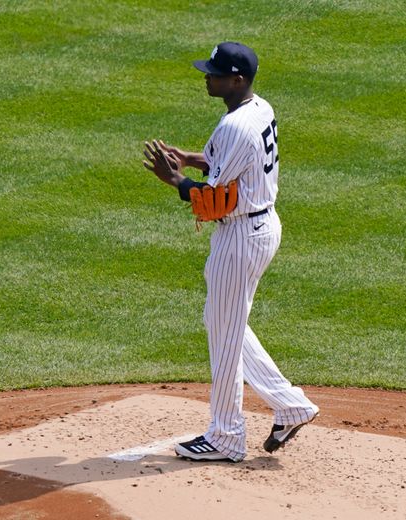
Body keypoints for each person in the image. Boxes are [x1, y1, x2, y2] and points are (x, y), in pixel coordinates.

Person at [142, 42, 319, 463]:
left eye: (215, 73)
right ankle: (289, 404)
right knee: (223, 321)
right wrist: (190, 158)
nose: (207, 76)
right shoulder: (259, 109)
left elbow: (215, 199)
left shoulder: (235, 127)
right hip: (260, 225)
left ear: (237, 80)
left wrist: (176, 181)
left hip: (240, 235)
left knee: (223, 335)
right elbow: (232, 165)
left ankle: (225, 435)